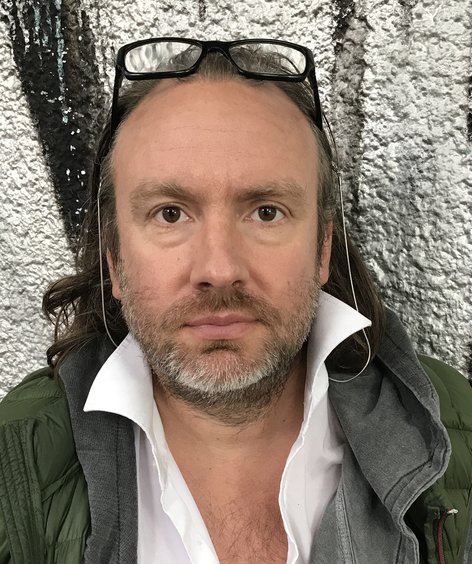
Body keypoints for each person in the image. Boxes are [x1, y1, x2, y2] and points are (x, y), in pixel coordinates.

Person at [0, 38, 470, 564]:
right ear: (114, 257)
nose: (219, 269)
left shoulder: (456, 427)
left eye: (266, 212)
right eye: (170, 213)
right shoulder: (17, 456)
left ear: (322, 248)